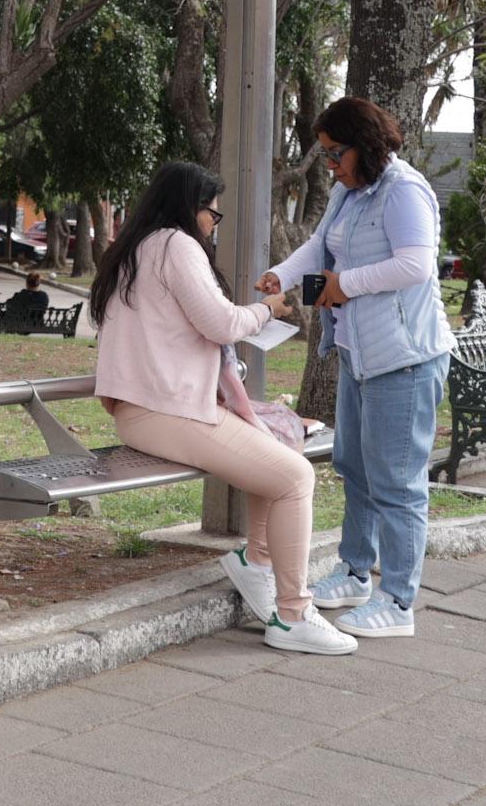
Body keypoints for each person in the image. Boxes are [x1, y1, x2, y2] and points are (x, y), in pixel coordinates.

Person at [92, 159, 355, 656]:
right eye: (215, 215)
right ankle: (293, 615)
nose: (215, 225)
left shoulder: (136, 247)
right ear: (192, 209)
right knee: (296, 477)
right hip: (166, 411)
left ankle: (256, 563)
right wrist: (267, 312)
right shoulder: (175, 245)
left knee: (275, 452)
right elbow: (219, 323)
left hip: (152, 408)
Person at [254, 97, 451, 639]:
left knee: (398, 481)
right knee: (354, 466)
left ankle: (398, 601)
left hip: (404, 359)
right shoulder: (347, 191)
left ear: (364, 145)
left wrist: (345, 285)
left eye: (335, 153)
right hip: (359, 355)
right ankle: (356, 571)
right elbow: (322, 246)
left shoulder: (404, 190)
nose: (330, 166)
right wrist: (281, 275)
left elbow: (416, 264)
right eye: (324, 155)